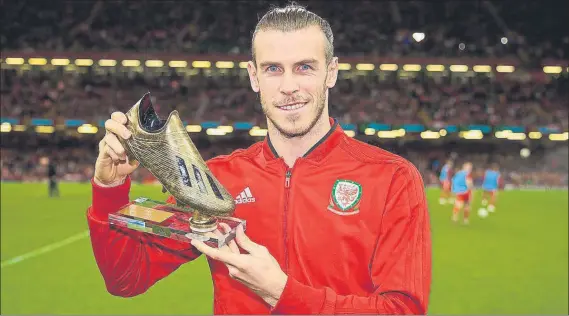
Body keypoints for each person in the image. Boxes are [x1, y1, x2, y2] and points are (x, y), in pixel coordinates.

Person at [87, 3, 431, 314]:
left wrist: (283, 292)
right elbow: (126, 279)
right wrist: (110, 187)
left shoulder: (392, 178)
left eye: (305, 67)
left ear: (332, 72)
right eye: (273, 69)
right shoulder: (216, 180)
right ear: (254, 76)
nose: (289, 86)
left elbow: (402, 310)